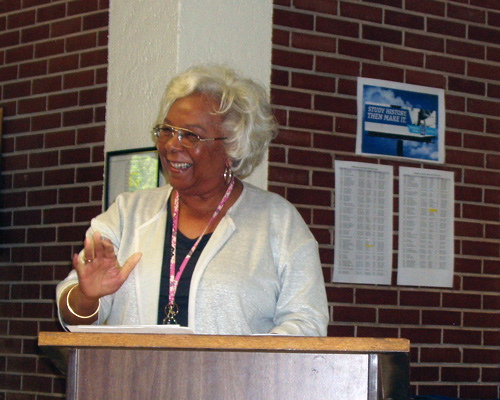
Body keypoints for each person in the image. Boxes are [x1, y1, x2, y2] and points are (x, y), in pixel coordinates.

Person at [56, 64, 329, 335]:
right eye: (167, 130)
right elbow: (74, 315)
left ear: (232, 147)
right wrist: (87, 296)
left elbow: (306, 324)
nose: (171, 145)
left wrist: (236, 360)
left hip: (234, 368)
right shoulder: (127, 213)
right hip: (130, 366)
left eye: (190, 136)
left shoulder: (279, 222)